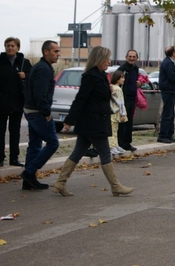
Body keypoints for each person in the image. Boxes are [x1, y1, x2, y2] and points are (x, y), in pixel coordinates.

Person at [52, 46, 134, 197]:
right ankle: (115, 186)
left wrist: (108, 92)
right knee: (104, 154)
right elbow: (80, 99)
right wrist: (69, 120)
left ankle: (60, 182)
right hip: (93, 122)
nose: (109, 61)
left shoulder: (102, 75)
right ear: (99, 59)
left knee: (78, 152)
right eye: (106, 59)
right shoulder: (90, 76)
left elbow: (99, 98)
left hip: (94, 121)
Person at [21, 40, 60, 190]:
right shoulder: (44, 69)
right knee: (53, 143)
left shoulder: (40, 66)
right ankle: (29, 172)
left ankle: (28, 182)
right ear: (46, 52)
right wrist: (46, 112)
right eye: (55, 51)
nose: (58, 54)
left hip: (31, 110)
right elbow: (40, 93)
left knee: (35, 144)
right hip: (37, 112)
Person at [0, 37, 32, 168]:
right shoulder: (0, 61)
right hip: (1, 103)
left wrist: (26, 76)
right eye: (8, 45)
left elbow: (33, 79)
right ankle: (0, 158)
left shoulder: (25, 62)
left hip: (17, 103)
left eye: (13, 46)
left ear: (18, 48)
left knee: (15, 131)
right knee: (0, 131)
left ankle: (14, 157)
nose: (10, 48)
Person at [157, 46, 175, 144]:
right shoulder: (168, 63)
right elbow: (172, 78)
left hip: (170, 91)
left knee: (170, 114)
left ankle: (169, 134)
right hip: (168, 91)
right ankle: (163, 135)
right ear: (172, 53)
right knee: (167, 114)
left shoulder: (169, 62)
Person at [117, 50, 141, 152]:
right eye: (130, 56)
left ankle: (127, 143)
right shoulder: (122, 69)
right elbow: (116, 83)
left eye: (134, 57)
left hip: (132, 98)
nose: (132, 58)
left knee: (129, 121)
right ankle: (120, 143)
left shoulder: (136, 69)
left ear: (137, 58)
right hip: (123, 99)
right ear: (126, 57)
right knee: (122, 121)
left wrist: (138, 84)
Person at [109, 70, 127, 155]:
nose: (123, 79)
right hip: (116, 112)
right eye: (122, 77)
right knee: (114, 130)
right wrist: (123, 114)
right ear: (117, 79)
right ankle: (112, 146)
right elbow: (121, 102)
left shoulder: (111, 87)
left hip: (111, 112)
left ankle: (115, 145)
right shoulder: (118, 89)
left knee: (114, 129)